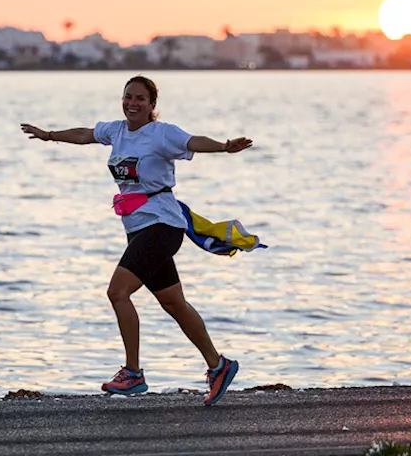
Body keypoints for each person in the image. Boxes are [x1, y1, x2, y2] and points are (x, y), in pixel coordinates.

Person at [20, 75, 252, 406]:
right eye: (128, 97)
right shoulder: (116, 131)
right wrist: (49, 135)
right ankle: (219, 365)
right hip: (138, 228)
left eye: (140, 98)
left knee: (117, 291)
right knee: (173, 303)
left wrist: (224, 147)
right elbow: (86, 134)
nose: (133, 103)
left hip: (162, 225)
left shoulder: (161, 133)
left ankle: (133, 373)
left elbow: (192, 141)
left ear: (152, 105)